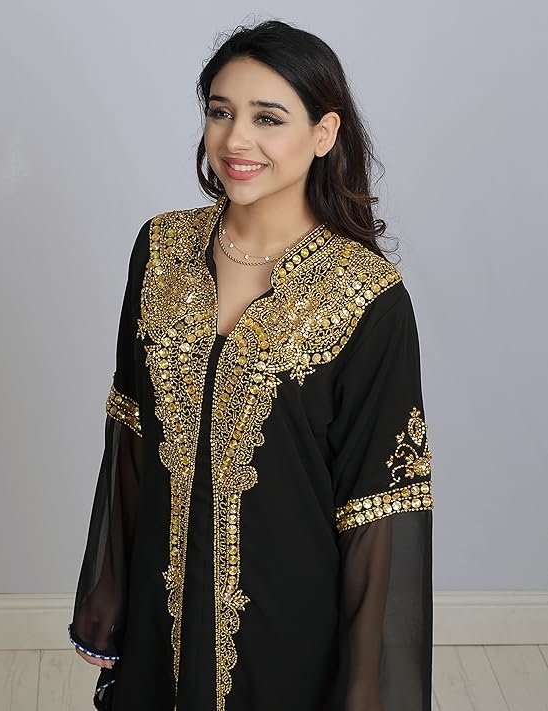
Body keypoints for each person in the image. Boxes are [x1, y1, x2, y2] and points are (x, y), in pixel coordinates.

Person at [67, 18, 434, 711]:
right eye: (220, 112)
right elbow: (131, 433)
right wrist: (110, 592)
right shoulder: (161, 250)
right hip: (160, 612)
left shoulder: (367, 298)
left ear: (323, 133)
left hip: (289, 626)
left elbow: (379, 507)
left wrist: (363, 685)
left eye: (268, 118)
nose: (236, 140)